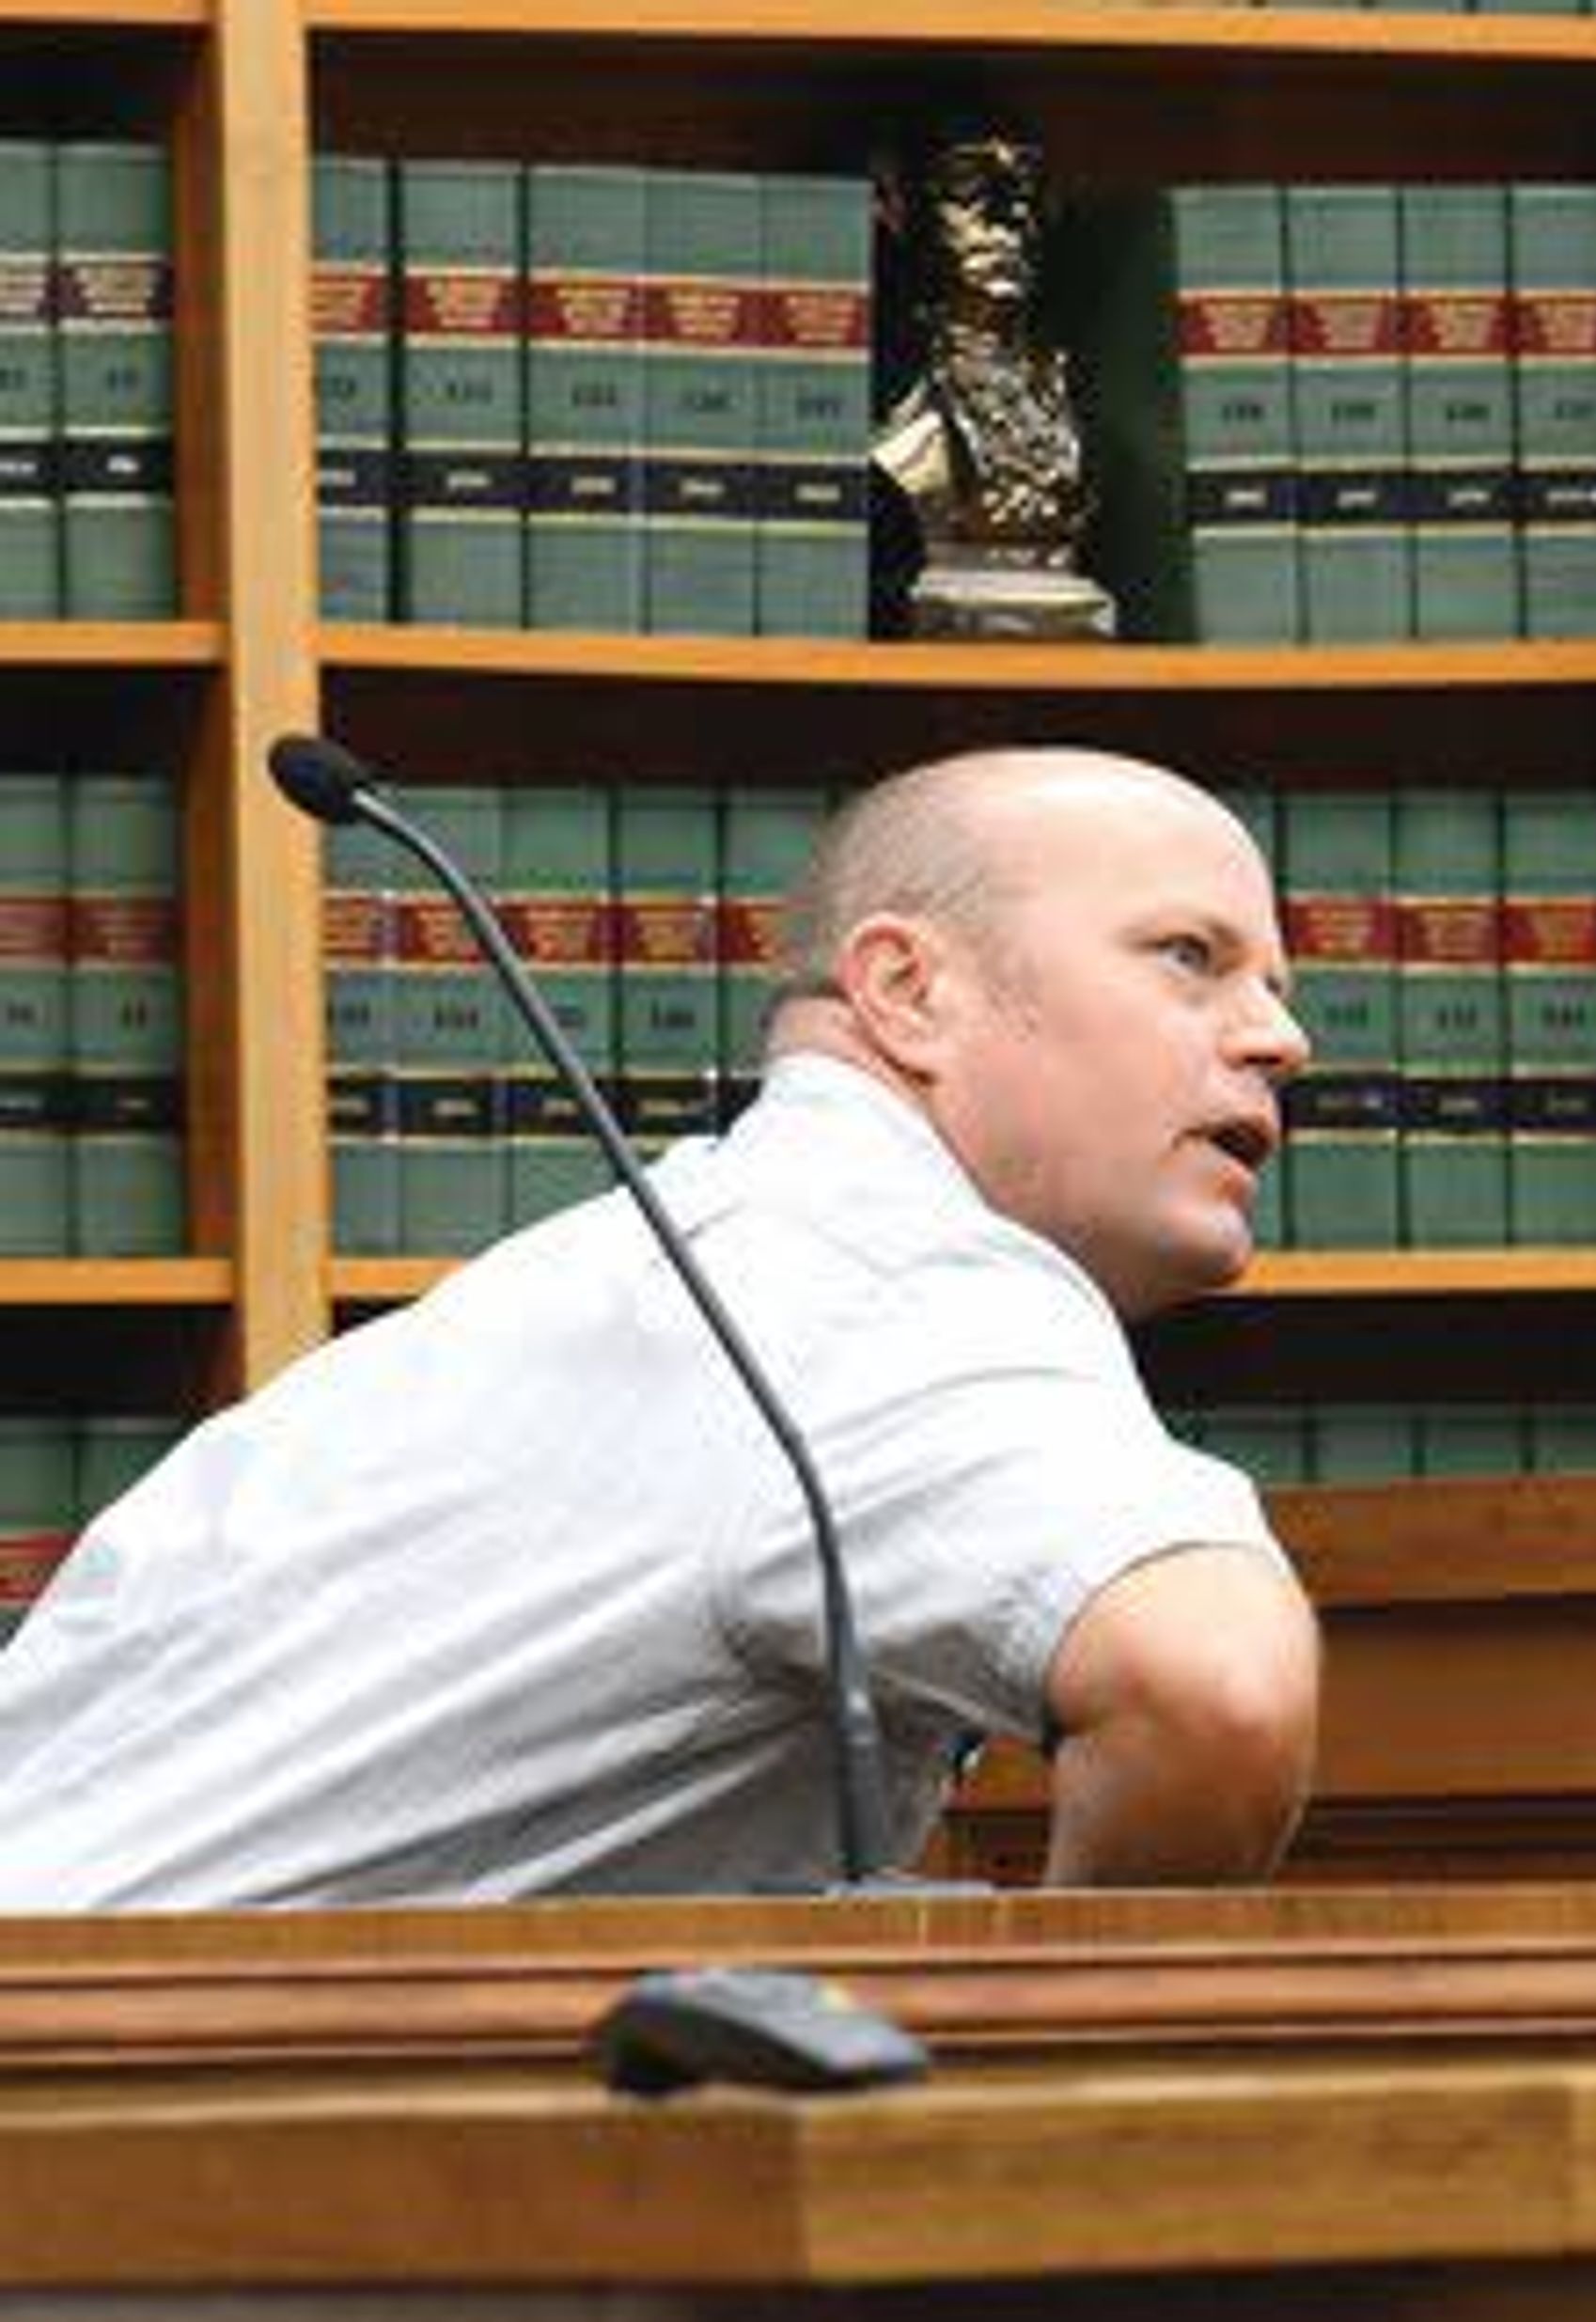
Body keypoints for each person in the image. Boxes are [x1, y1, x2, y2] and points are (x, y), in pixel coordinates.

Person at [0, 747, 1322, 1907]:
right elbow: (1217, 1691)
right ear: (908, 991)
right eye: (1189, 958)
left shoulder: (655, 1270)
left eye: (1275, 980)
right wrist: (1041, 2072)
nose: (1282, 1037)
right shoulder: (881, 1286)